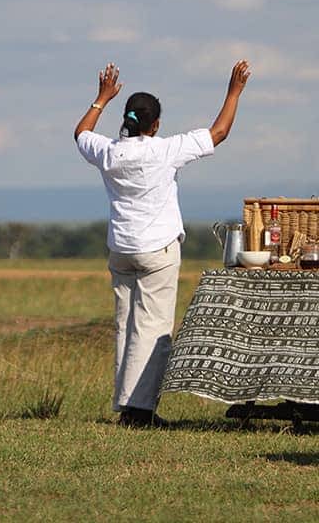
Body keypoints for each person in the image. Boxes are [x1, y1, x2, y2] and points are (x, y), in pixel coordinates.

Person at [74, 59, 251, 427]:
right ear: (155, 126)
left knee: (125, 326)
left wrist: (100, 98)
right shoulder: (164, 150)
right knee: (152, 330)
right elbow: (219, 132)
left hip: (121, 250)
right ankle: (141, 413)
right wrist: (234, 92)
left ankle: (127, 407)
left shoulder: (109, 152)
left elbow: (81, 133)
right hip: (157, 250)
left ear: (126, 119)